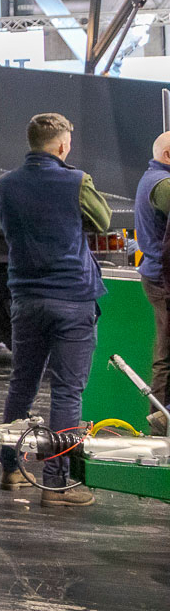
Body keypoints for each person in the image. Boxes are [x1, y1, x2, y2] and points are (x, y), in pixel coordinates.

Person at [0, 112, 110, 506]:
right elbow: (104, 220)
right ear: (62, 146)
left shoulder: (5, 185)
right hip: (72, 299)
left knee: (22, 385)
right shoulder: (76, 181)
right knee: (66, 391)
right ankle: (56, 483)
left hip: (25, 299)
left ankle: (11, 469)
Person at [132, 131, 170, 435]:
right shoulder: (163, 184)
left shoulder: (152, 178)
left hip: (157, 275)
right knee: (167, 354)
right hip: (164, 279)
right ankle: (162, 422)